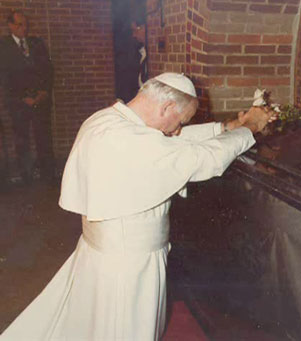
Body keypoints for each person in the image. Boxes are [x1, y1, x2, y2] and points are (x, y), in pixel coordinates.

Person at [0, 72, 274, 340]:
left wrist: (225, 128)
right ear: (166, 106)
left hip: (105, 253)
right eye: (180, 121)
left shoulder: (111, 119)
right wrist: (250, 128)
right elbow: (203, 158)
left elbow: (168, 140)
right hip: (129, 264)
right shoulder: (132, 140)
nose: (178, 130)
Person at [0, 10, 55, 184]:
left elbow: (48, 70)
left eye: (25, 24)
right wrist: (23, 97)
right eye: (19, 24)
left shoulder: (37, 43)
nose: (24, 28)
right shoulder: (3, 46)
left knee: (43, 138)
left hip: (40, 99)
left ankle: (48, 175)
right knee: (21, 138)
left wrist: (43, 92)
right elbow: (4, 76)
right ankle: (26, 177)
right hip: (18, 102)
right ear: (10, 26)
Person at [115, 19, 147, 103]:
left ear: (144, 28)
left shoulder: (151, 53)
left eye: (136, 30)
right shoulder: (134, 52)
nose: (134, 35)